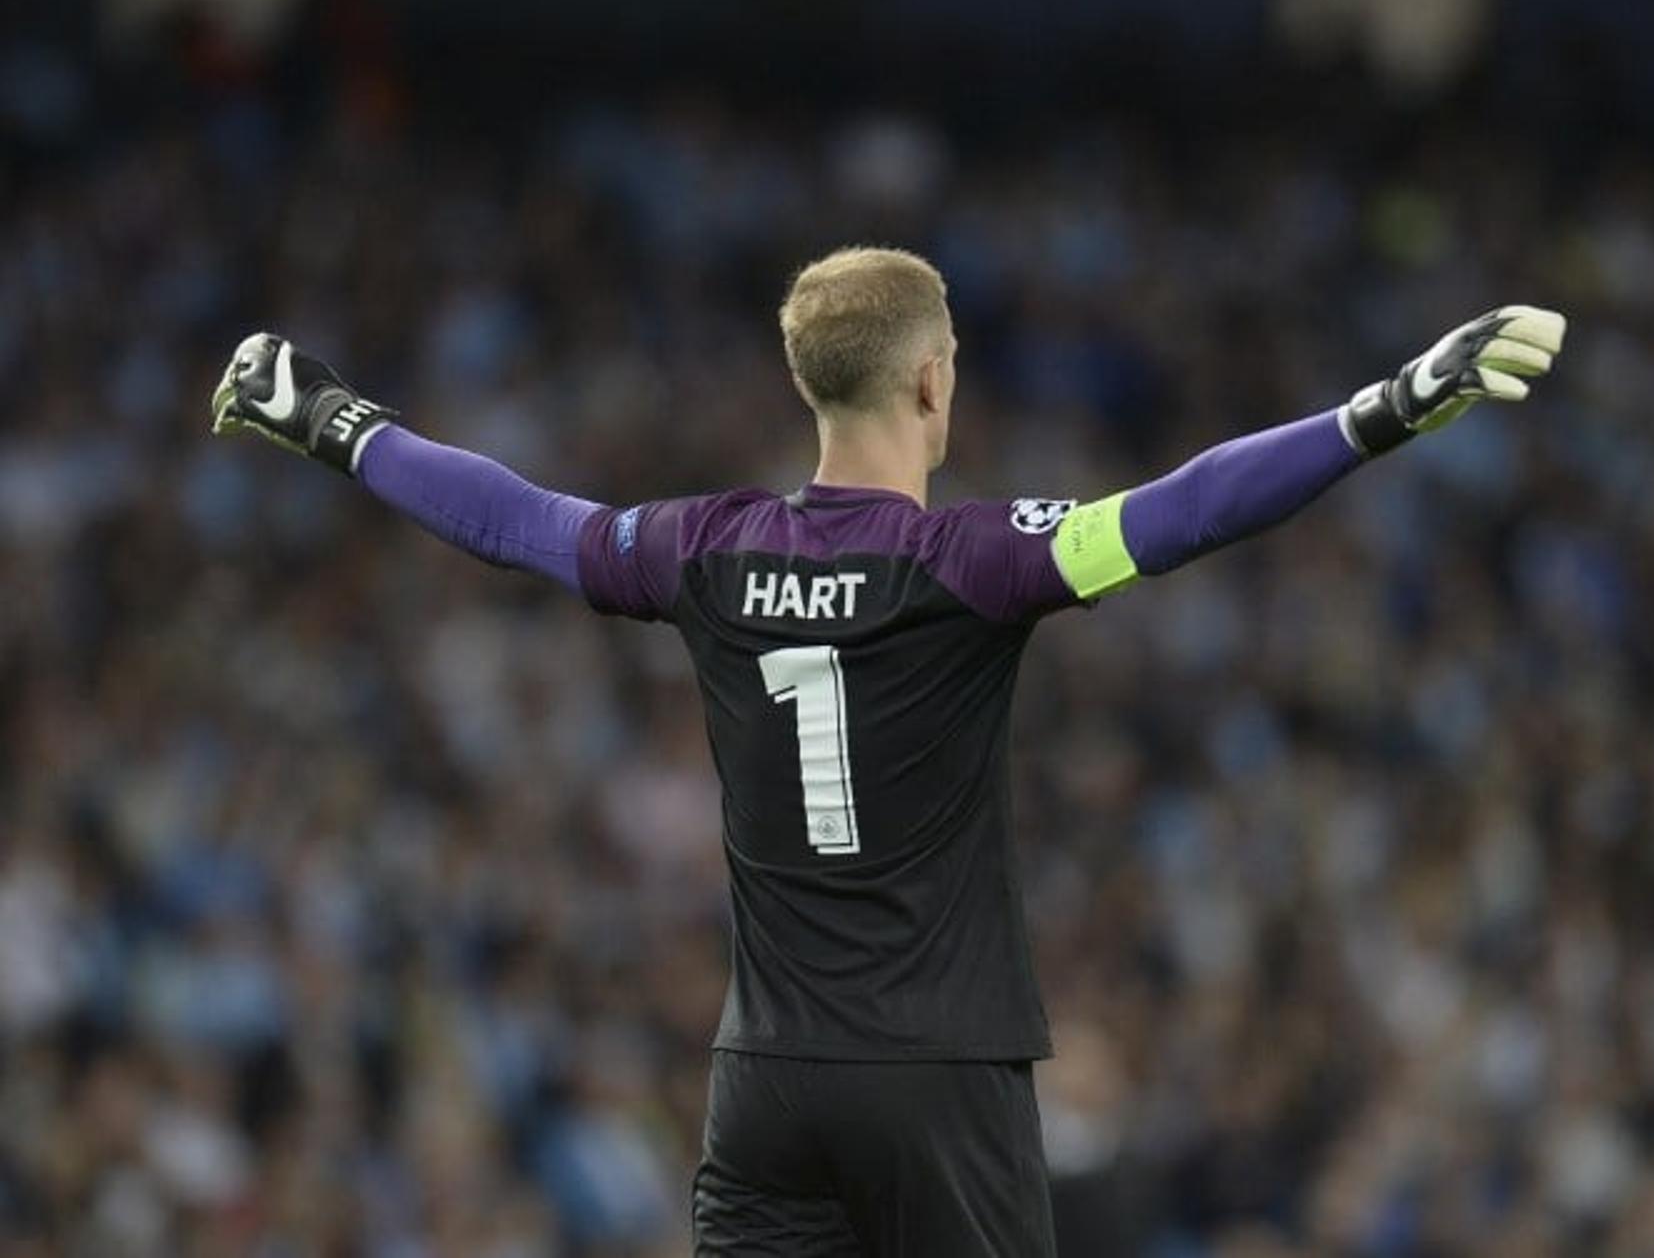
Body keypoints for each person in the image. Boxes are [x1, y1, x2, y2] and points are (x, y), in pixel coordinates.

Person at [208, 246, 1565, 1256]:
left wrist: (333, 417)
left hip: (771, 1085)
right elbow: (1188, 508)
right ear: (929, 378)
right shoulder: (975, 561)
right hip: (939, 1082)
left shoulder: (704, 548)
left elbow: (515, 518)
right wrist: (1382, 408)